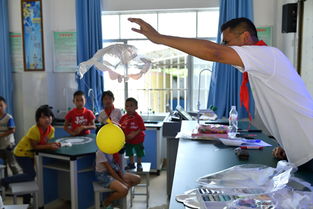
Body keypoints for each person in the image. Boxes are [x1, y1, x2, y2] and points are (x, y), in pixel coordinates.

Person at [128, 17, 313, 169]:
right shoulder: (262, 62)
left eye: (227, 42)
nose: (224, 46)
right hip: (300, 151)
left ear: (245, 37)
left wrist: (159, 38)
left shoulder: (267, 55)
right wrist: (288, 144)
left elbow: (214, 52)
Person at [1, 105, 60, 204]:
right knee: (31, 174)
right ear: (38, 120)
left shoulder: (51, 130)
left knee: (28, 176)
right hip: (21, 153)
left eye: (49, 116)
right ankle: (4, 181)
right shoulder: (34, 130)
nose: (47, 119)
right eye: (43, 117)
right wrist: (50, 146)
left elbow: (46, 143)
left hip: (31, 154)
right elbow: (35, 147)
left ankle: (26, 201)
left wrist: (54, 144)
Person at [119, 98, 146, 171]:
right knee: (129, 151)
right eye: (127, 106)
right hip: (128, 140)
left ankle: (139, 164)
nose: (129, 108)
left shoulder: (138, 118)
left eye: (131, 106)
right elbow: (120, 127)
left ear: (136, 107)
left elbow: (141, 127)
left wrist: (134, 133)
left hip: (138, 139)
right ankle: (132, 163)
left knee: (139, 152)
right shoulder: (123, 118)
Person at [97, 90, 123, 166]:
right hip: (106, 139)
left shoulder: (118, 111)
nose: (108, 101)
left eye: (109, 98)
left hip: (116, 138)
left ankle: (118, 170)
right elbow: (100, 125)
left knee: (118, 158)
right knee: (108, 157)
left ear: (113, 99)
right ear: (102, 101)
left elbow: (121, 125)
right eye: (105, 99)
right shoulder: (102, 113)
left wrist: (114, 124)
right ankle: (111, 170)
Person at [0, 96, 20, 175]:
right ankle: (6, 180)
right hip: (1, 145)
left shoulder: (8, 117)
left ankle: (17, 177)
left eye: (1, 105)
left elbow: (12, 130)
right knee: (3, 164)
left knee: (12, 163)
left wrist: (1, 135)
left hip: (8, 144)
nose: (0, 107)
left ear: (6, 105)